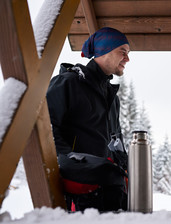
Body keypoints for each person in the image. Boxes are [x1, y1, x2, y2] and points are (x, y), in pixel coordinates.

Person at [46, 27, 130, 212]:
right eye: (122, 52)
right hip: (76, 190)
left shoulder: (111, 97)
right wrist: (73, 163)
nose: (127, 59)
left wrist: (127, 169)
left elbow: (114, 141)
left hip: (107, 188)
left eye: (128, 53)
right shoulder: (68, 83)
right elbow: (47, 130)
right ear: (103, 51)